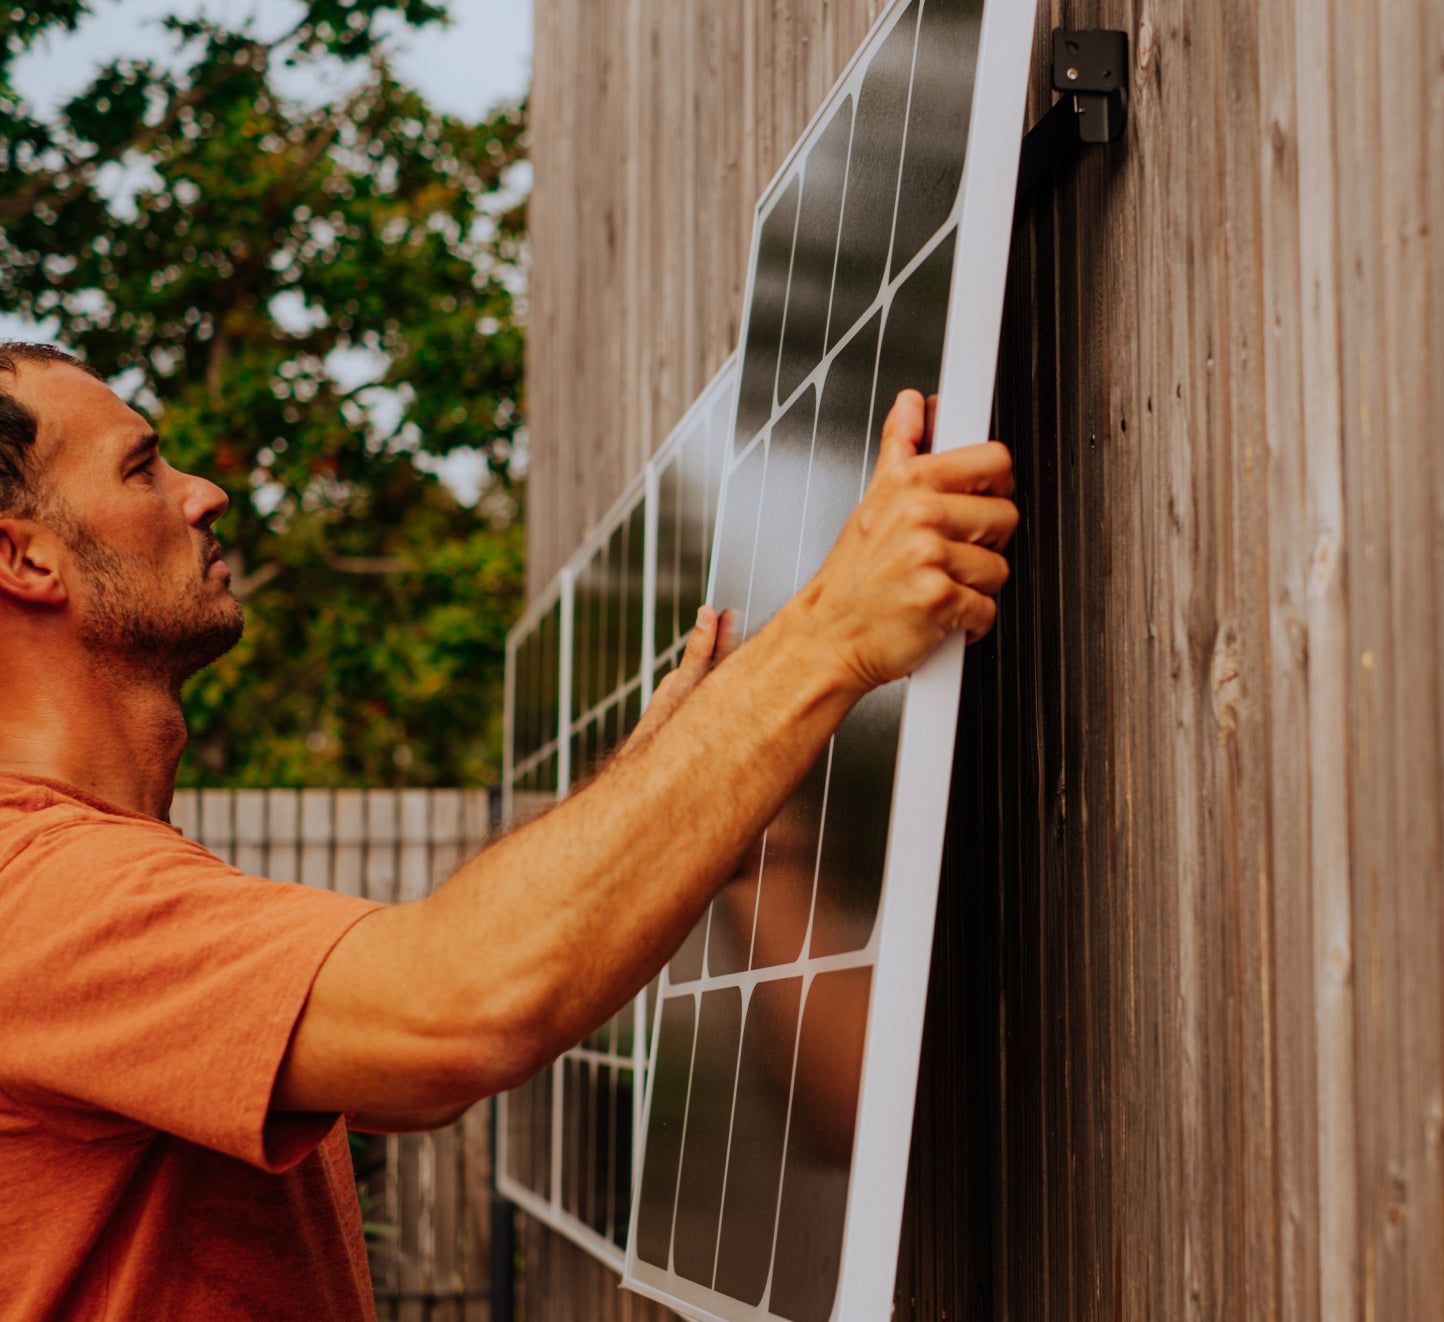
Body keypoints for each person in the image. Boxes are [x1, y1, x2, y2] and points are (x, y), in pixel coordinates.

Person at [0, 341, 1017, 1319]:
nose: (204, 490)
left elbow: (420, 1031)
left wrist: (692, 782)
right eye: (141, 468)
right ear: (22, 555)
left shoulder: (96, 875)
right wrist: (832, 633)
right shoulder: (41, 895)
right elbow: (452, 1006)